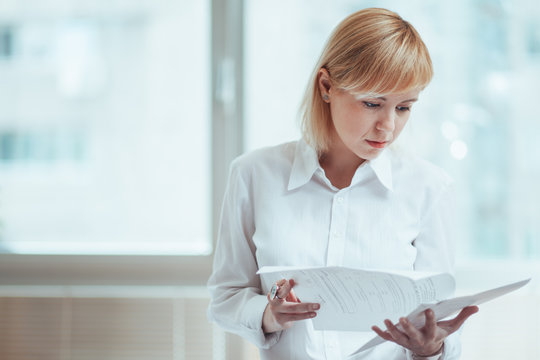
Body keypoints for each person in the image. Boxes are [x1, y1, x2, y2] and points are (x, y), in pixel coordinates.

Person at [207, 7, 478, 360]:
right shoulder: (253, 175)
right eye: (372, 103)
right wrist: (267, 315)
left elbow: (438, 321)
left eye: (404, 108)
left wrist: (433, 347)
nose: (388, 127)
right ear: (326, 86)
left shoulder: (429, 189)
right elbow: (226, 297)